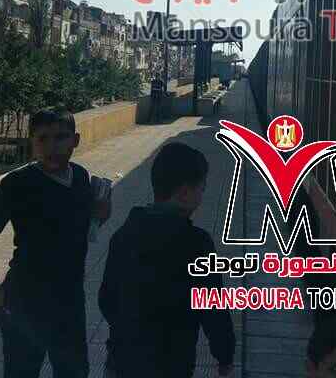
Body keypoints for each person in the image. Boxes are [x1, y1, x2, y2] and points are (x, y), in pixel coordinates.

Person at [0, 108, 112, 378]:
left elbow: (86, 225)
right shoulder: (18, 184)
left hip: (69, 302)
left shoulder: (81, 178)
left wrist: (102, 212)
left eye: (60, 137)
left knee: (74, 372)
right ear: (32, 142)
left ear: (75, 140)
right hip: (25, 302)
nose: (51, 147)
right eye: (42, 138)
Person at [99, 142, 235, 378]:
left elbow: (106, 299)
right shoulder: (197, 244)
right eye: (201, 189)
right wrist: (225, 357)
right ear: (184, 193)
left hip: (121, 361)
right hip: (171, 365)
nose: (202, 196)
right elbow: (213, 311)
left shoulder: (123, 234)